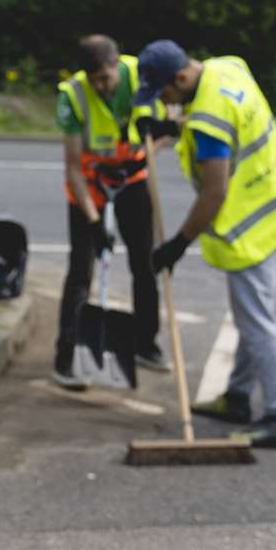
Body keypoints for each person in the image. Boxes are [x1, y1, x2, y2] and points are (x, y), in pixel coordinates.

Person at [138, 40, 276, 449]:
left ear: (181, 77)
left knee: (258, 323)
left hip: (253, 230)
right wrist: (172, 128)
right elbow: (233, 123)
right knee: (251, 314)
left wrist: (178, 243)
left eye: (165, 93)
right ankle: (236, 397)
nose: (165, 101)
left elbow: (213, 193)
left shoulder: (208, 120)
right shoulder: (227, 69)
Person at [53, 34, 174, 389]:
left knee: (145, 261)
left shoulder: (145, 76)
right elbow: (73, 167)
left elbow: (171, 126)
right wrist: (93, 222)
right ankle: (66, 358)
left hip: (133, 178)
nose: (102, 86)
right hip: (91, 183)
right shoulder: (72, 96)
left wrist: (163, 133)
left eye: (106, 78)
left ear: (117, 63)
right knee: (81, 270)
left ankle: (144, 343)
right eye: (95, 81)